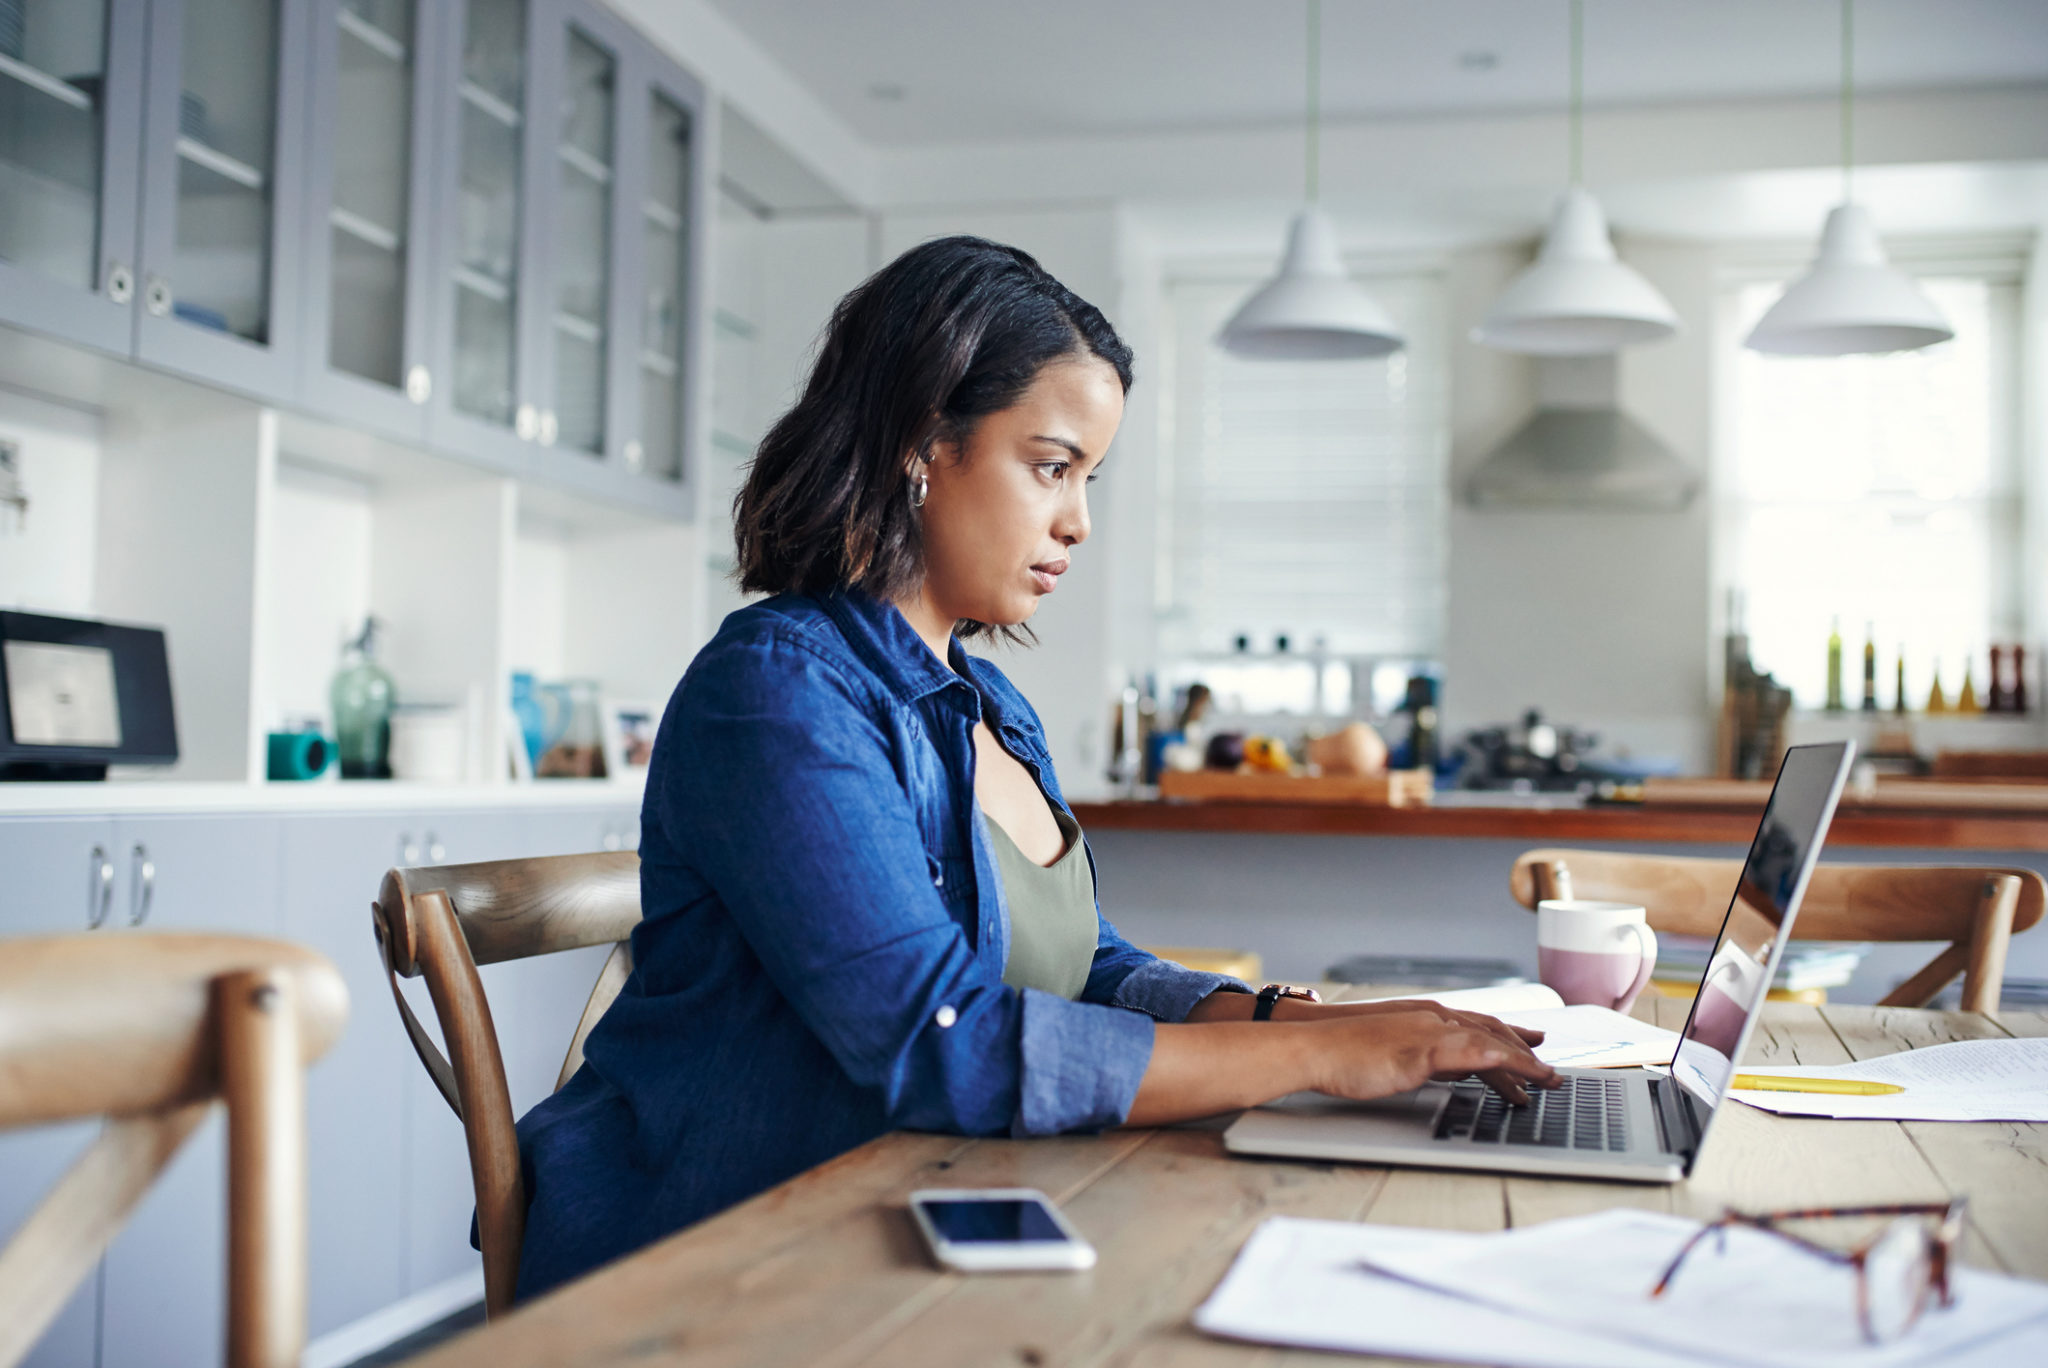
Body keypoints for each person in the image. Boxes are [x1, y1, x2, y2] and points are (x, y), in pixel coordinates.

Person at [511, 236, 1558, 1299]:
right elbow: (936, 1040)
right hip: (718, 1253)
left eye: (1089, 477)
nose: (1078, 521)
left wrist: (1309, 1021)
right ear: (922, 443)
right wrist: (1310, 1063)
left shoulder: (990, 707)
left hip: (921, 1204)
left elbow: (1083, 966)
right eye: (1050, 466)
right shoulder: (777, 693)